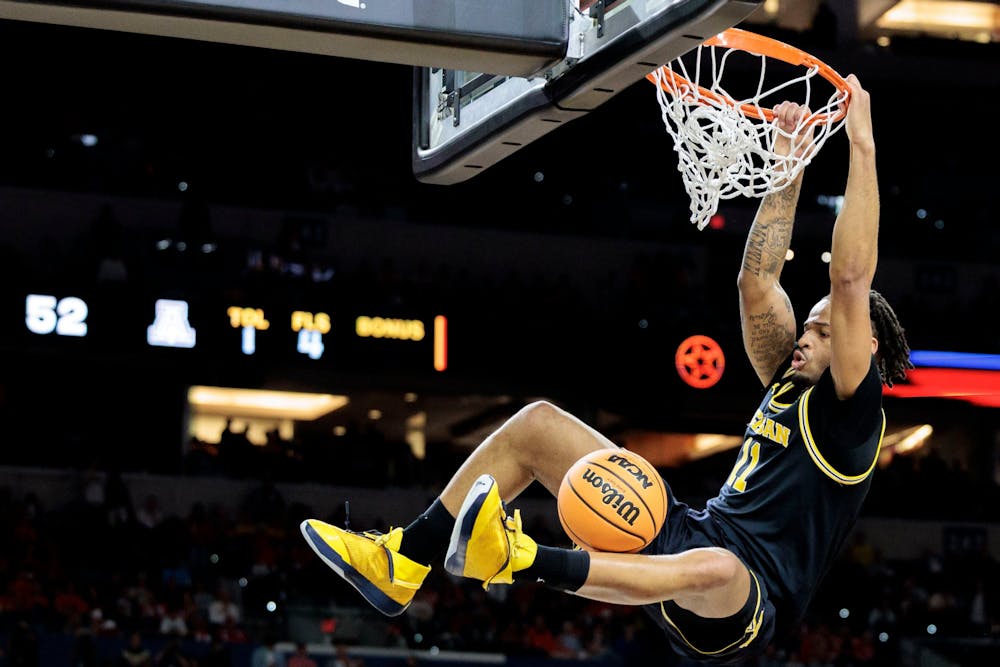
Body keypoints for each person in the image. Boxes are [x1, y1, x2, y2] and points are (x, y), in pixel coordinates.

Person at [300, 74, 913, 665]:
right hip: (685, 530)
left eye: (823, 330)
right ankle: (403, 562)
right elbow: (757, 282)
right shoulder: (789, 376)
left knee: (720, 568)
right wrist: (788, 166)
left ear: (866, 352)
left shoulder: (853, 419)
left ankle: (516, 557)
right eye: (808, 322)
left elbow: (851, 278)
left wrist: (861, 143)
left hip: (742, 602)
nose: (804, 333)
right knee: (538, 424)